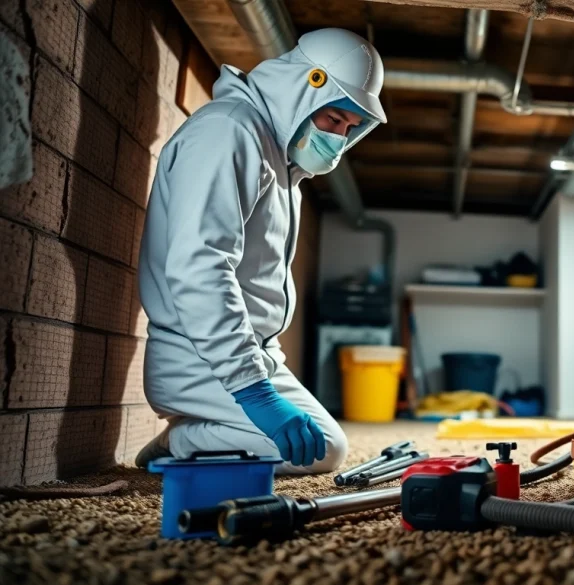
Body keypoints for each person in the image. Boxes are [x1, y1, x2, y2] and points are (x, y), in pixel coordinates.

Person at [135, 28, 386, 473]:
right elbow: (201, 267)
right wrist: (255, 394)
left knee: (325, 444)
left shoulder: (281, 163)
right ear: (302, 89)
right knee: (320, 450)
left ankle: (202, 432)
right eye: (333, 119)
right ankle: (183, 439)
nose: (339, 137)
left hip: (253, 354)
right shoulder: (229, 131)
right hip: (199, 357)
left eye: (350, 128)